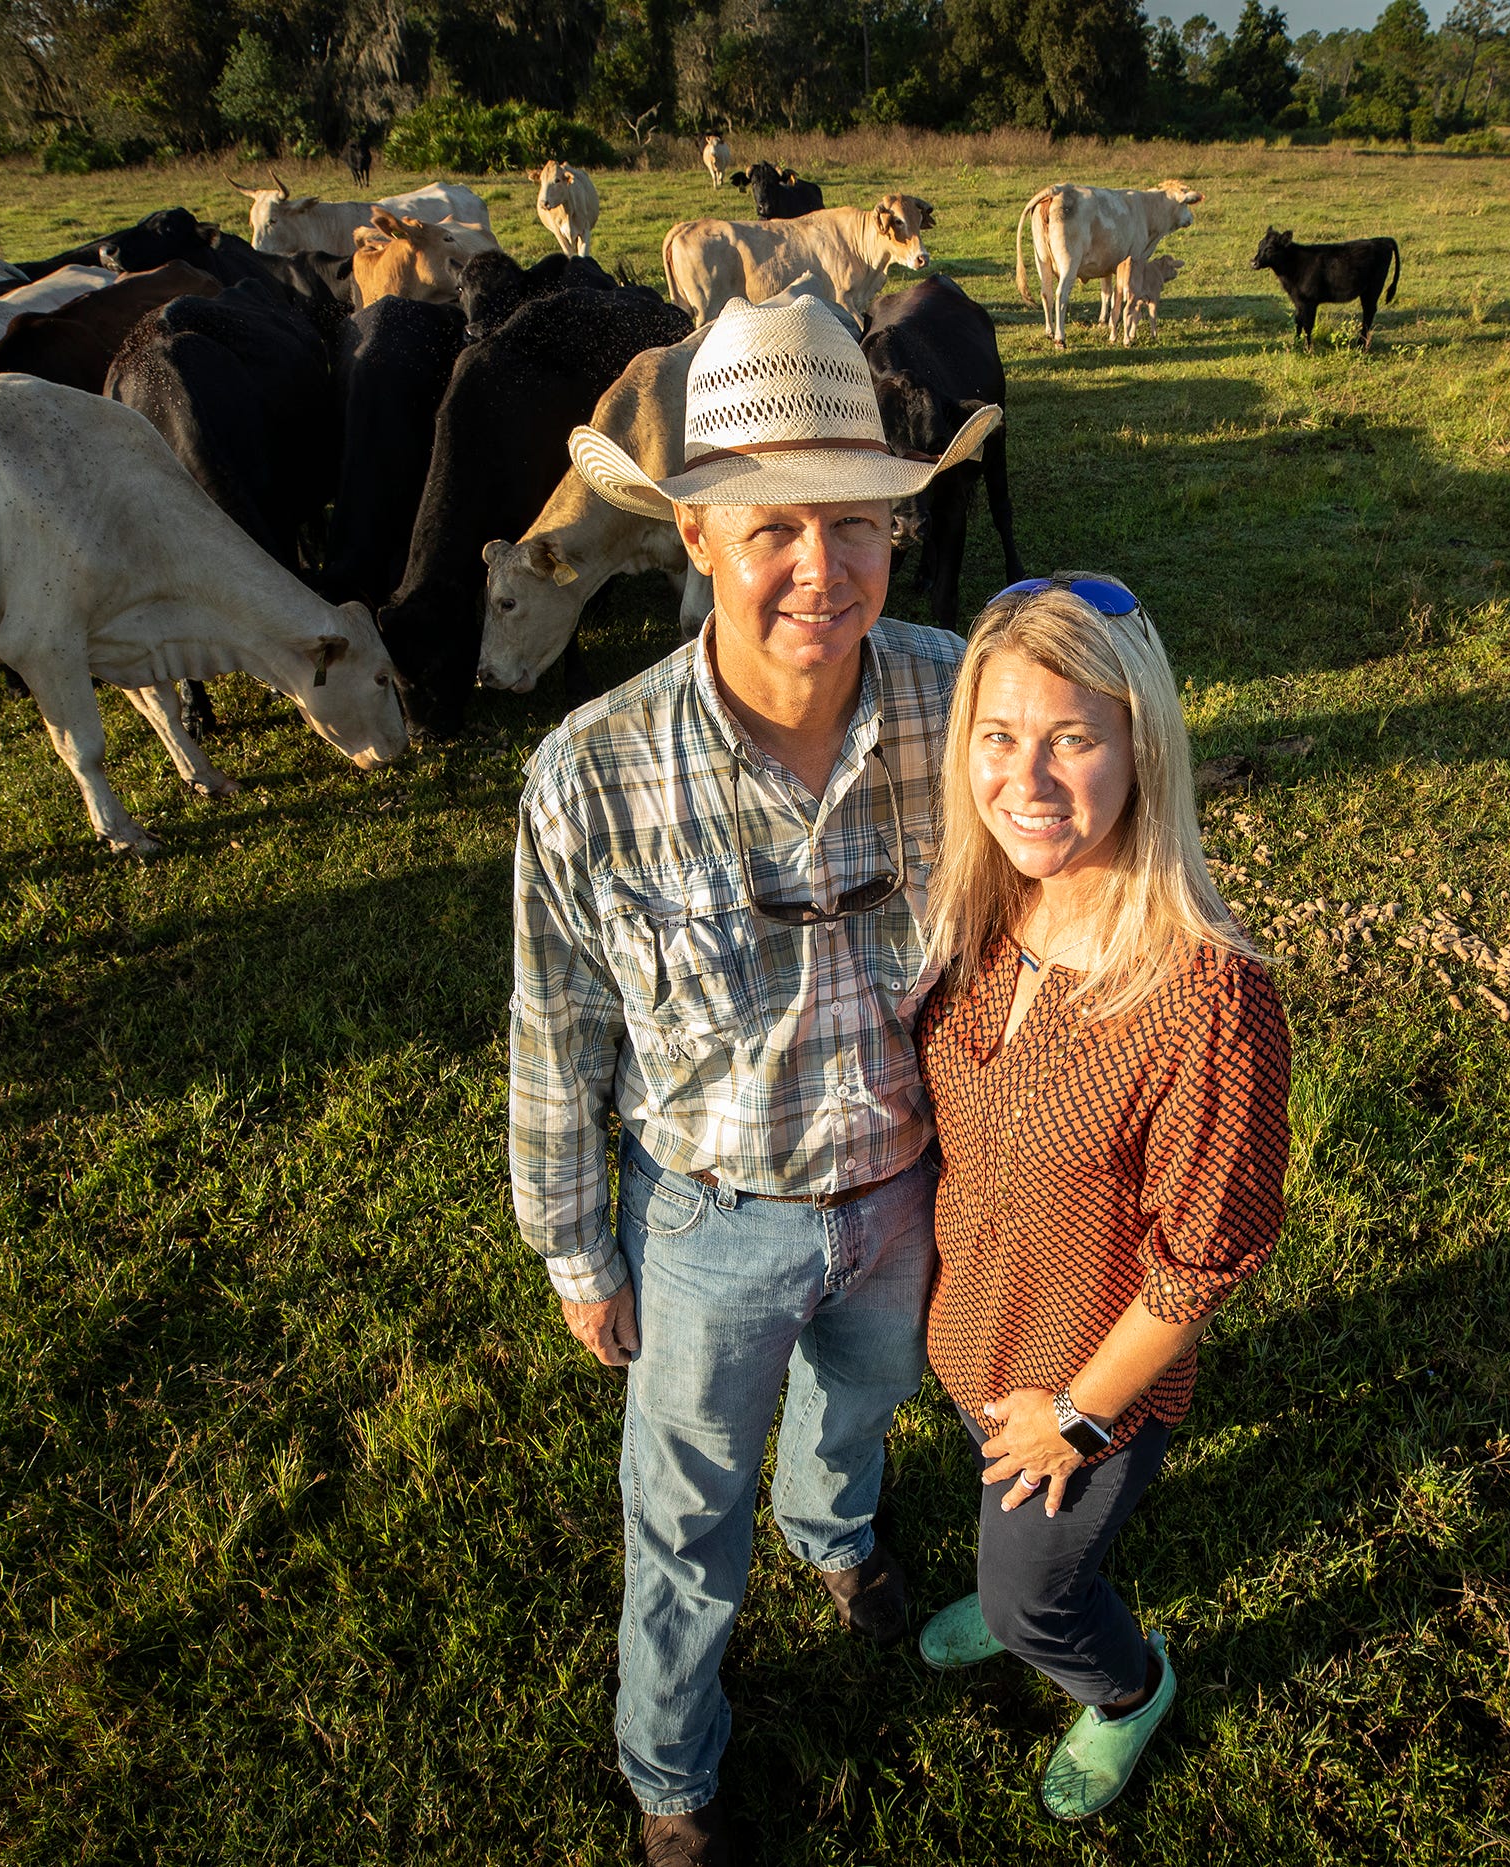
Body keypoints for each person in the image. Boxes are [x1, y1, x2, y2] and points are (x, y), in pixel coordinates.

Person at [514, 292, 999, 1867]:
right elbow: (557, 1024)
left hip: (902, 1189)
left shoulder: (958, 699)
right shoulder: (590, 767)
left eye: (857, 524)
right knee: (680, 1508)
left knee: (862, 1400)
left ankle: (838, 1534)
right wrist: (580, 1247)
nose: (821, 568)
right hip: (710, 1215)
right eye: (774, 525)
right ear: (698, 540)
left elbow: (1106, 801)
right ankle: (671, 1772)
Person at [912, 574, 1291, 1820]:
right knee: (1000, 1517)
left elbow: (1203, 1259)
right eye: (1000, 736)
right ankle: (1016, 1576)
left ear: (1142, 746)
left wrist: (1074, 1416)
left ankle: (1126, 1687)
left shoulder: (1204, 995)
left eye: (1072, 738)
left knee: (1038, 1600)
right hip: (979, 1345)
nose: (1025, 779)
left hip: (1095, 1391)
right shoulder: (984, 913)